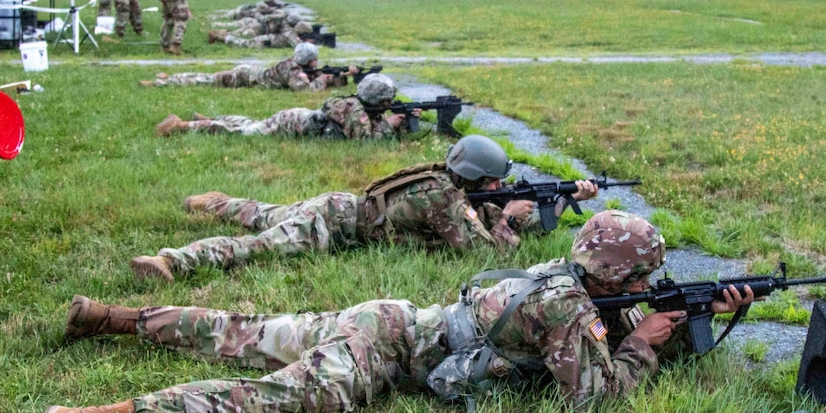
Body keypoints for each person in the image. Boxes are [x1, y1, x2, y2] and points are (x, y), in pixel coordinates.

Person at [36, 211, 756, 413]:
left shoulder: (561, 276)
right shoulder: (568, 311)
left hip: (390, 314)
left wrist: (699, 315)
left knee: (242, 332)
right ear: (623, 272)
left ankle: (114, 316)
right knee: (264, 398)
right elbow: (594, 399)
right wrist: (647, 344)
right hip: (380, 351)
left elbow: (611, 323)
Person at [128, 134, 599, 282]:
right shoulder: (445, 198)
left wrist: (564, 200)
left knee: (265, 212)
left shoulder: (446, 178)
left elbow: (488, 216)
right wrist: (513, 220)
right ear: (474, 179)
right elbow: (482, 256)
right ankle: (173, 260)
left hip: (337, 205)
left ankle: (217, 202)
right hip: (331, 225)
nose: (498, 188)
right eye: (493, 182)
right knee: (258, 245)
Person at [154, 73, 420, 139]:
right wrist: (389, 124)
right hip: (291, 125)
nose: (388, 105)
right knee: (245, 132)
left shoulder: (356, 104)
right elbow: (366, 142)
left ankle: (212, 117)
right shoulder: (356, 112)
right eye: (385, 101)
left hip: (297, 117)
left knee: (250, 122)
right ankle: (182, 126)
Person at [142, 41, 340, 91]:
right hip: (244, 76)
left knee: (206, 77)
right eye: (314, 59)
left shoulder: (295, 66)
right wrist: (323, 80)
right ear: (308, 59)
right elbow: (303, 90)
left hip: (249, 71)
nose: (316, 63)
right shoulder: (292, 70)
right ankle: (161, 82)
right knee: (206, 79)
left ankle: (167, 78)